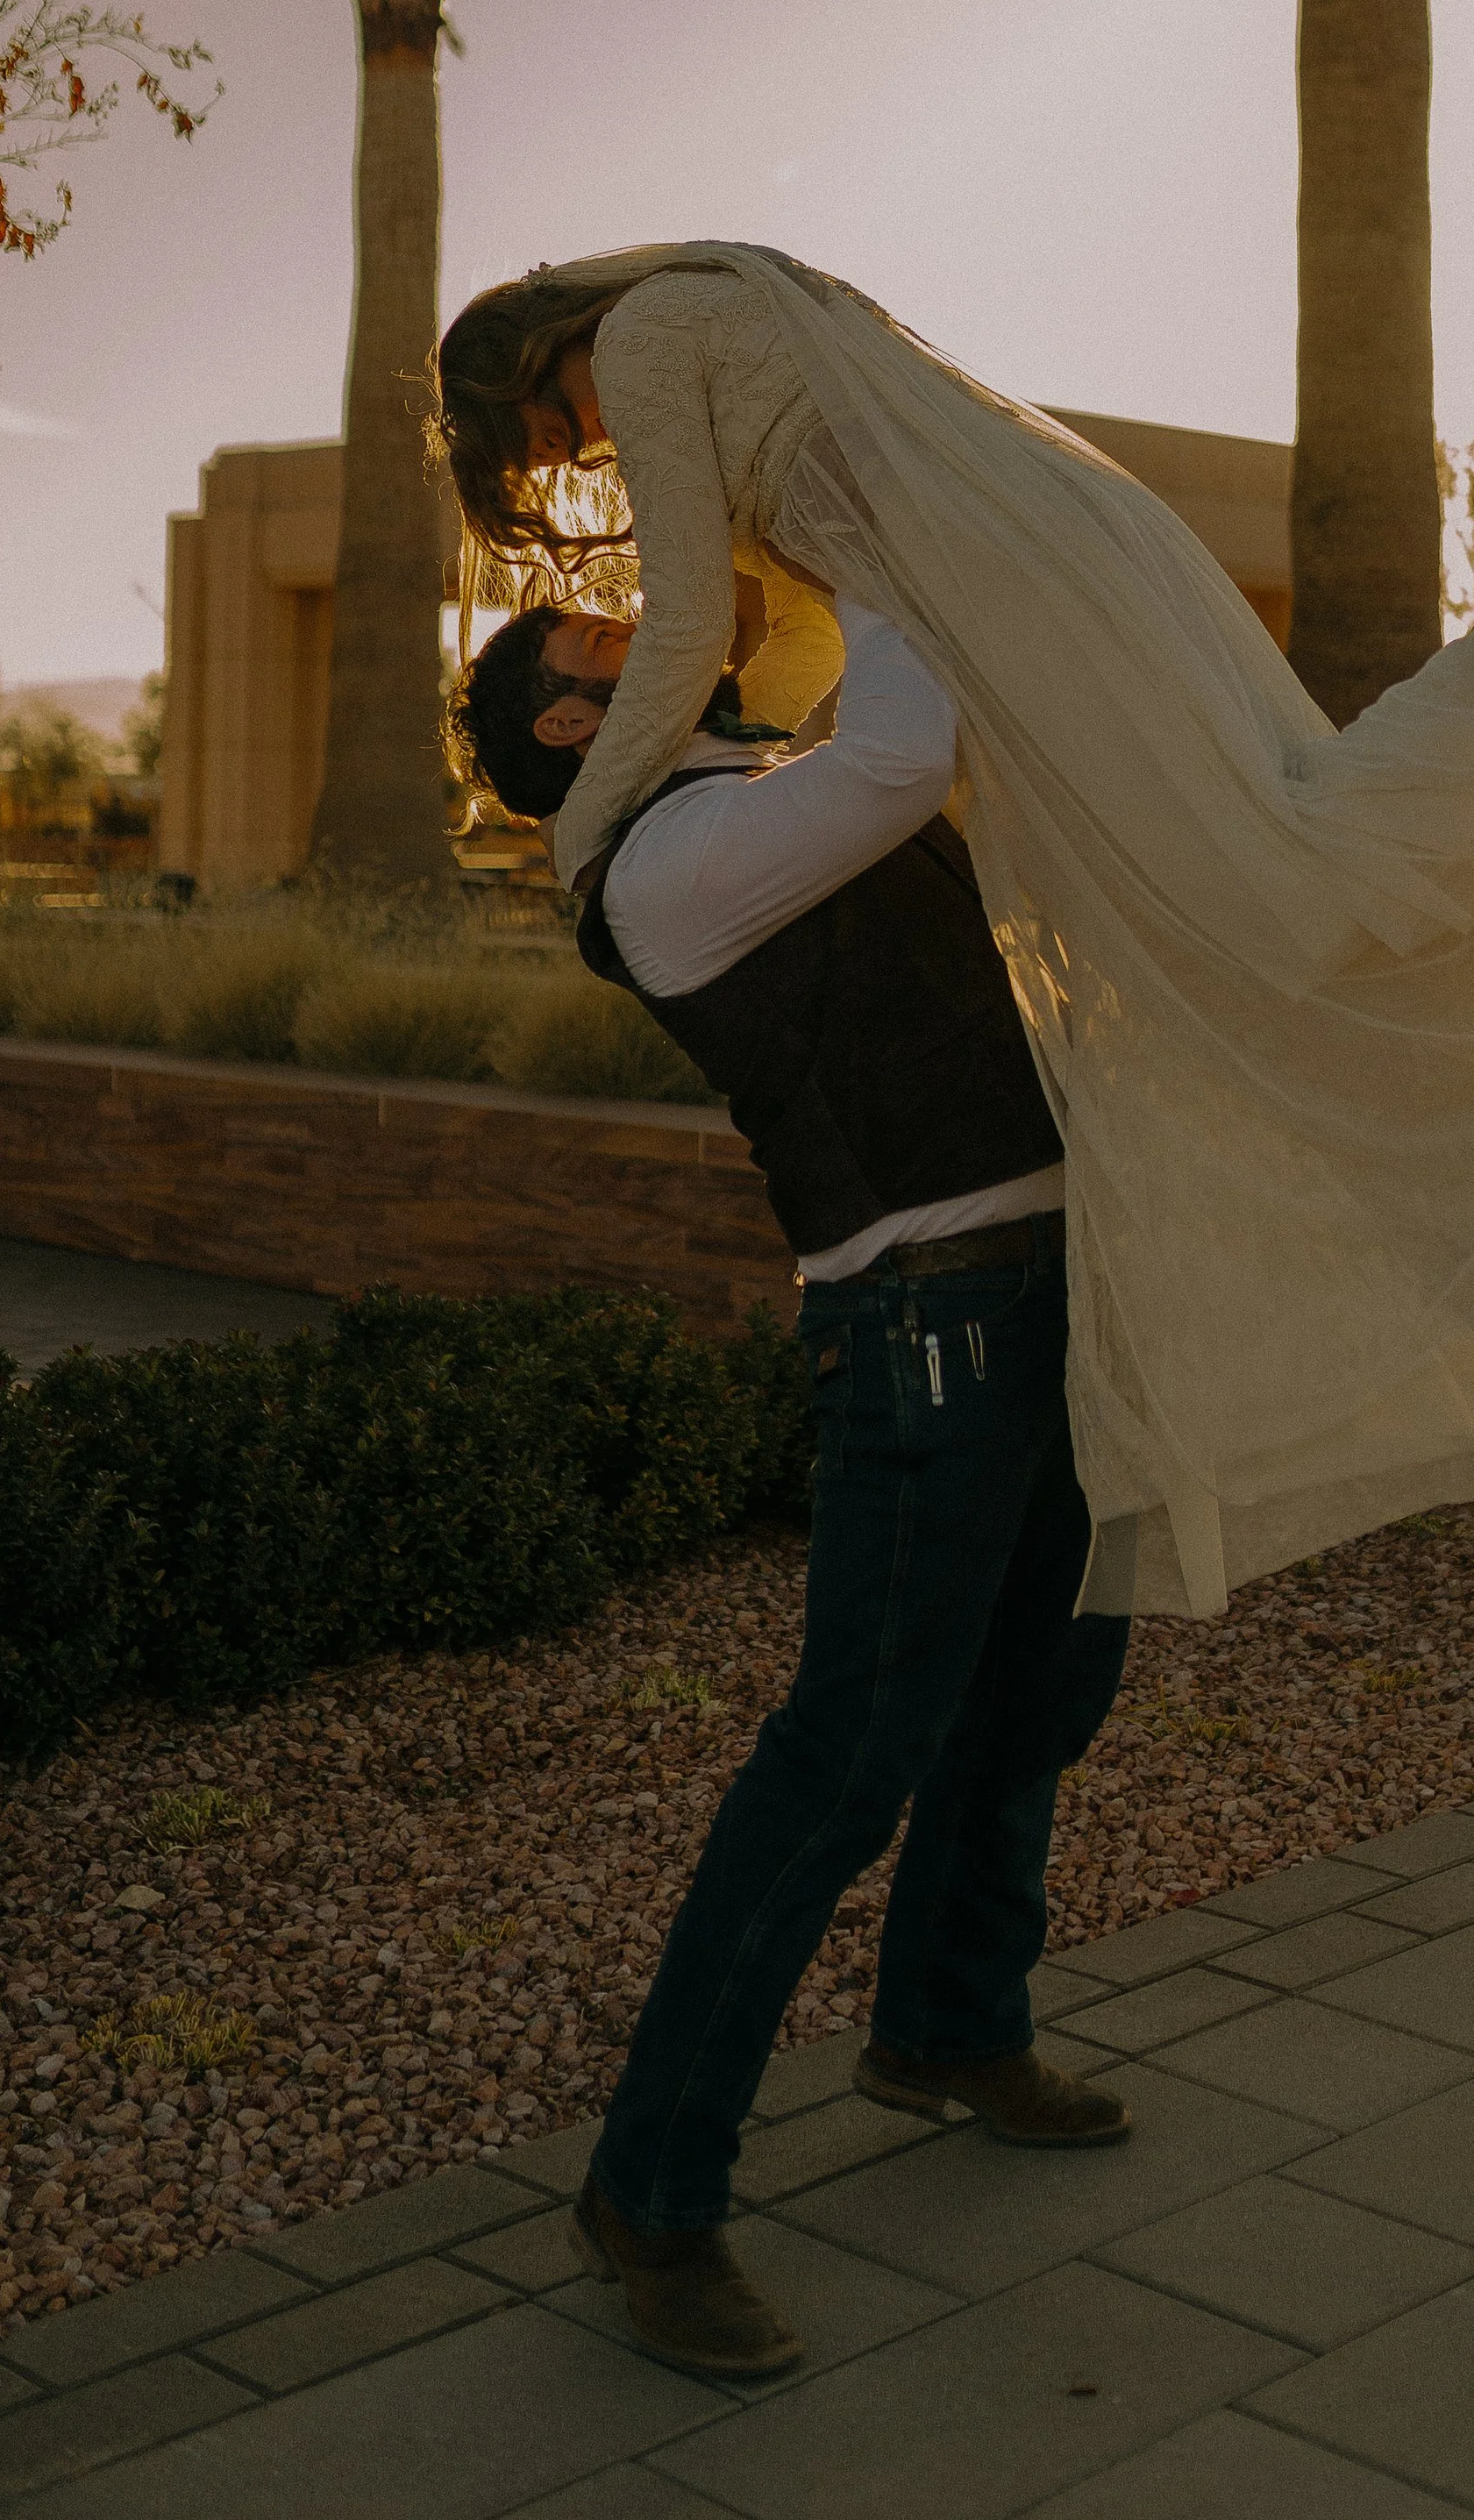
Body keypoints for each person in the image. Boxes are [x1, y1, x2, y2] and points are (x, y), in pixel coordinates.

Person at [435, 241, 1474, 1613]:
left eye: (544, 429)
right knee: (1239, 973)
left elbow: (703, 631)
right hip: (1014, 605)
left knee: (1292, 877)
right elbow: (769, 639)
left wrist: (584, 830)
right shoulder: (720, 320)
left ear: (529, 356)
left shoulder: (642, 334)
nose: (575, 447)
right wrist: (774, 769)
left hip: (1011, 615)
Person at [451, 593, 1134, 2384]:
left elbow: (871, 730)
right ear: (563, 730)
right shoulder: (661, 868)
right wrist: (877, 515)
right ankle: (649, 2198)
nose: (659, 617)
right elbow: (904, 740)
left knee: (1041, 1685)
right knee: (842, 1765)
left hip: (1050, 1288)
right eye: (614, 635)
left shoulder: (742, 788)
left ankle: (947, 2024)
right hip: (928, 1330)